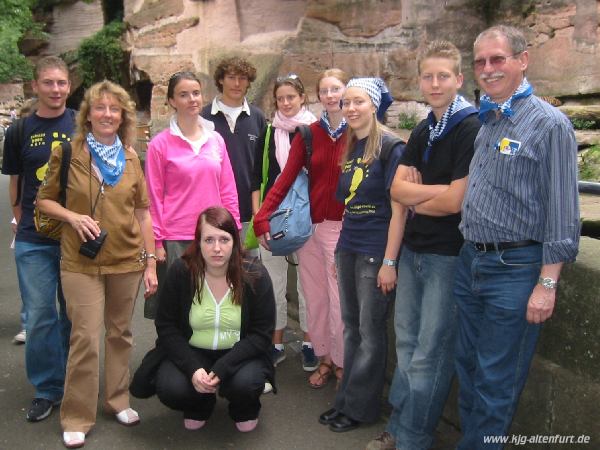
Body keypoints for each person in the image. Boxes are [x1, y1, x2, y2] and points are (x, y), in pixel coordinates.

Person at [454, 25, 580, 449]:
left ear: (522, 60)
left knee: (496, 381)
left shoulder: (549, 125)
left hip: (515, 271)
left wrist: (547, 284)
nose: (487, 70)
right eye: (480, 62)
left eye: (498, 59)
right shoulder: (487, 118)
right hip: (471, 261)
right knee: (468, 369)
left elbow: (564, 214)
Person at [368, 41, 481, 450]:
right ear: (420, 80)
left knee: (430, 353)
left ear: (458, 79)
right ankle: (398, 428)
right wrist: (427, 197)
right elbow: (395, 191)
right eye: (428, 76)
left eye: (443, 76)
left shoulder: (470, 126)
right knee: (408, 345)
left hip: (447, 258)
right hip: (414, 251)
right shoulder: (423, 128)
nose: (435, 84)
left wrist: (418, 196)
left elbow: (456, 202)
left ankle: (413, 437)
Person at [37, 80, 158, 449]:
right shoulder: (68, 152)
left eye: (115, 109)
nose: (107, 114)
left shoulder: (133, 156)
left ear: (123, 116)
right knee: (85, 337)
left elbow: (143, 213)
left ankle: (117, 399)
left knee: (120, 334)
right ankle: (76, 415)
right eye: (100, 108)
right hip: (80, 261)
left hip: (127, 259)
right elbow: (43, 202)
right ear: (88, 114)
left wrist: (150, 261)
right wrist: (72, 218)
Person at [318, 77, 405, 433]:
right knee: (351, 328)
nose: (350, 108)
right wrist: (340, 253)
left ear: (374, 105)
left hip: (374, 252)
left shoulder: (390, 147)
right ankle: (345, 401)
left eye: (358, 102)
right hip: (349, 246)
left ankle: (360, 408)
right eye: (346, 102)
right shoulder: (353, 145)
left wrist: (389, 262)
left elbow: (399, 211)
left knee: (369, 332)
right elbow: (348, 205)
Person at [254, 68, 349, 389]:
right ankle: (324, 358)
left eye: (336, 89)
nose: (331, 95)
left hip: (340, 228)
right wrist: (261, 216)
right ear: (319, 96)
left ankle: (342, 362)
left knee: (338, 300)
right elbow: (284, 180)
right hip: (310, 228)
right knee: (316, 295)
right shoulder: (310, 134)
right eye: (326, 90)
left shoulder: (358, 132)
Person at [140, 206, 275, 432]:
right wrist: (193, 368)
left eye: (224, 239)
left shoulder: (255, 274)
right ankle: (199, 404)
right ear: (198, 242)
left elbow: (261, 334)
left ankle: (245, 408)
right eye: (208, 240)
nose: (217, 248)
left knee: (246, 384)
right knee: (170, 387)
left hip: (239, 355)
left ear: (235, 241)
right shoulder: (181, 272)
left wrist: (224, 367)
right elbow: (166, 326)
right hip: (194, 352)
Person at [1, 56, 74, 422]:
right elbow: (15, 180)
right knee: (42, 314)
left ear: (69, 85)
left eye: (61, 82)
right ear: (35, 86)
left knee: (73, 313)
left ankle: (72, 379)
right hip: (34, 238)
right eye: (48, 83)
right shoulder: (19, 130)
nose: (56, 89)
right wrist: (20, 217)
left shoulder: (81, 123)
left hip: (76, 238)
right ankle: (47, 387)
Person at [144, 71, 240, 319]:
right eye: (183, 95)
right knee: (178, 309)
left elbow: (228, 189)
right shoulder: (160, 145)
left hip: (213, 235)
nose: (192, 99)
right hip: (176, 238)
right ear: (172, 101)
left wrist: (234, 230)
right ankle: (175, 357)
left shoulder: (216, 140)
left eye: (196, 93)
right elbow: (152, 197)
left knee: (211, 307)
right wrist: (156, 242)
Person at [251, 73, 318, 373]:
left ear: (302, 97)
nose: (286, 102)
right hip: (273, 216)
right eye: (281, 98)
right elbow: (257, 179)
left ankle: (309, 343)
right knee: (273, 284)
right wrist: (258, 220)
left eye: (291, 96)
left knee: (308, 286)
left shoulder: (316, 131)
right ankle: (276, 343)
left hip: (306, 218)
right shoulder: (269, 134)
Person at [201, 57, 266, 250]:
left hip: (249, 213)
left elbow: (262, 165)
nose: (237, 84)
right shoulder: (203, 118)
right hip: (214, 214)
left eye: (242, 78)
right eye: (231, 77)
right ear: (221, 80)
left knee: (250, 273)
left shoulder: (257, 117)